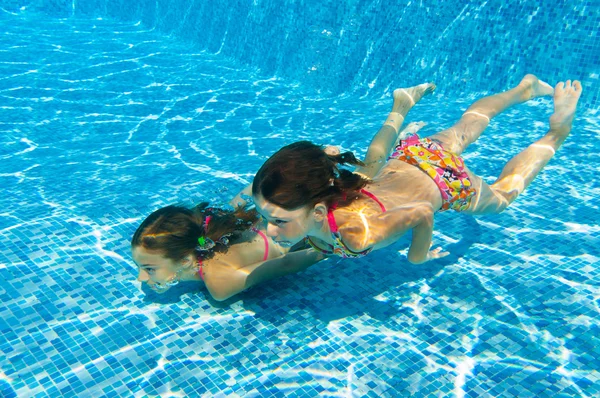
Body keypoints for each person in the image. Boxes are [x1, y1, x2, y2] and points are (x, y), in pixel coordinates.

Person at [131, 82, 437, 299]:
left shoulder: (219, 284)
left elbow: (286, 264)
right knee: (368, 167)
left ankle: (398, 111)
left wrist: (329, 250)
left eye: (148, 269)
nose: (142, 278)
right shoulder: (210, 230)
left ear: (185, 261)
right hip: (270, 213)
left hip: (298, 231)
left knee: (370, 171)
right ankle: (369, 132)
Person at [251, 76, 582, 263]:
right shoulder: (329, 191)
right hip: (414, 156)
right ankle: (521, 90)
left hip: (444, 183)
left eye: (278, 221)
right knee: (467, 125)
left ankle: (557, 133)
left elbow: (422, 212)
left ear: (320, 212)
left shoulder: (357, 235)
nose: (269, 229)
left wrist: (417, 256)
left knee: (503, 195)